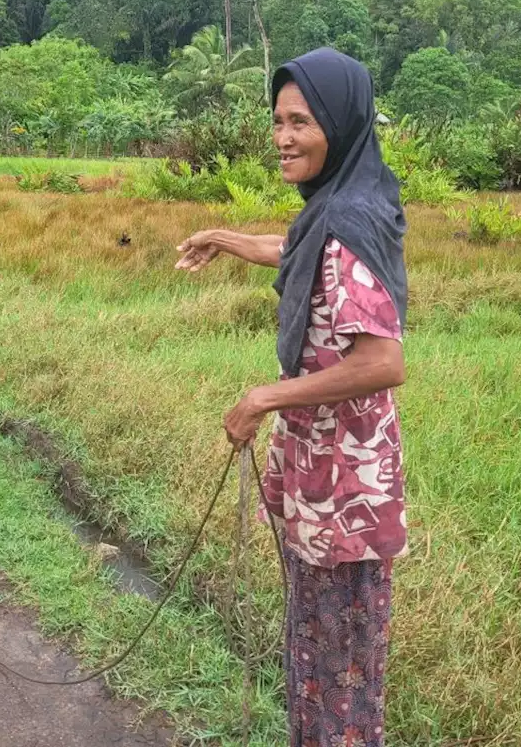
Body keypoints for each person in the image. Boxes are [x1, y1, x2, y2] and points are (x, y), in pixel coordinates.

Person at [175, 48, 409, 747]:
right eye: (277, 120)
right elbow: (301, 249)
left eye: (300, 120)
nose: (282, 136)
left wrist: (264, 395)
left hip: (345, 491)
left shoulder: (346, 225)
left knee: (339, 664)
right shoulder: (347, 204)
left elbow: (384, 360)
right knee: (317, 651)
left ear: (337, 123)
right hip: (326, 476)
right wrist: (224, 237)